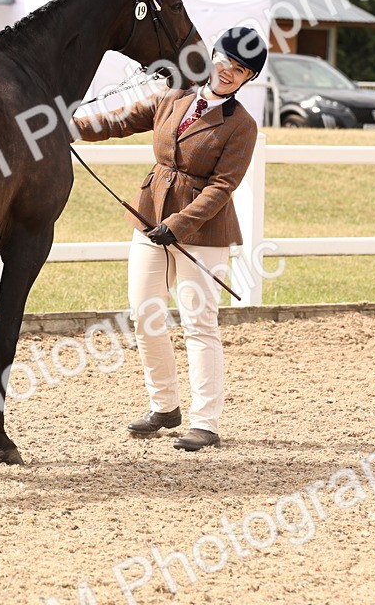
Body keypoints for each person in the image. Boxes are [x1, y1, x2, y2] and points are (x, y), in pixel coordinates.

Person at [71, 26, 267, 451]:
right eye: (226, 61)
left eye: (240, 70)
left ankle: (205, 422)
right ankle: (164, 407)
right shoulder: (174, 94)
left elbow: (222, 186)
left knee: (199, 323)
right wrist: (70, 128)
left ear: (249, 78)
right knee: (145, 314)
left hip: (203, 231)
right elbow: (121, 120)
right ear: (212, 55)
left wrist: (178, 225)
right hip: (150, 215)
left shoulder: (241, 126)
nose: (229, 72)